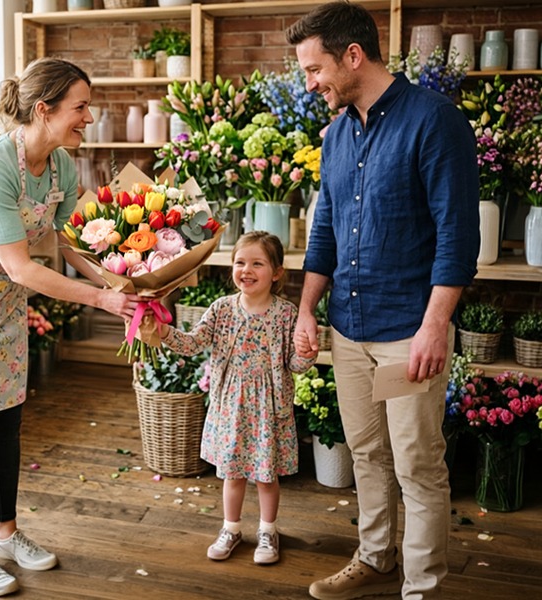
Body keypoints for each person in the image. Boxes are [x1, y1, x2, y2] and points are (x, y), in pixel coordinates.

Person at [0, 57, 142, 598]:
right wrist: (100, 300)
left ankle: (5, 533)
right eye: (80, 107)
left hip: (1, 299)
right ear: (44, 109)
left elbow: (70, 243)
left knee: (6, 420)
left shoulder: (61, 165)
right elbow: (21, 265)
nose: (89, 117)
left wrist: (122, 277)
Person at [287, 3, 480, 599]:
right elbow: (324, 231)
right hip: (349, 328)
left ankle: (421, 587)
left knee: (417, 465)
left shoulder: (435, 122)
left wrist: (435, 326)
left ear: (353, 56)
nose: (310, 84)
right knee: (367, 453)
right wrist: (307, 310)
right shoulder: (338, 136)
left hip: (406, 332)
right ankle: (375, 559)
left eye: (315, 69)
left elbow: (457, 237)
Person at [156, 231, 318, 566]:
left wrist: (307, 353)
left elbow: (295, 364)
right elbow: (192, 343)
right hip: (231, 407)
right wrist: (162, 332)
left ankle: (268, 531)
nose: (246, 270)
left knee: (266, 476)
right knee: (233, 473)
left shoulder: (286, 315)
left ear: (276, 272)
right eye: (240, 262)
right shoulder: (221, 310)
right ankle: (231, 529)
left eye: (257, 263)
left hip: (269, 410)